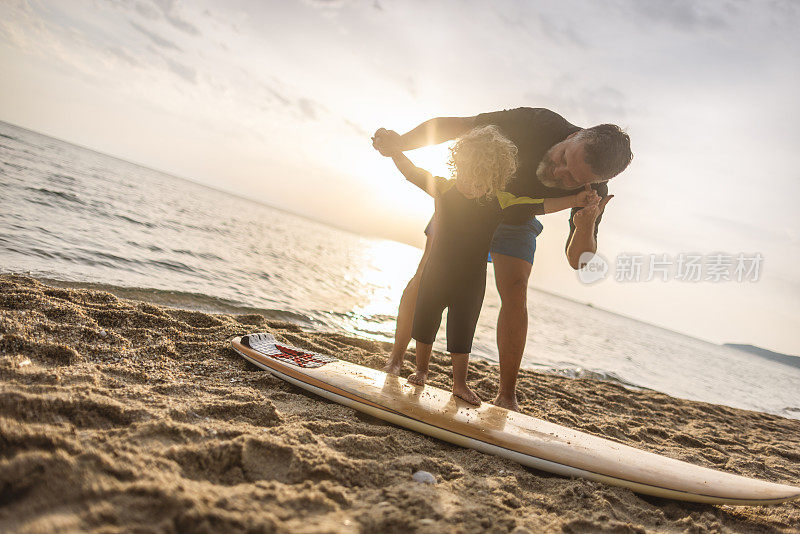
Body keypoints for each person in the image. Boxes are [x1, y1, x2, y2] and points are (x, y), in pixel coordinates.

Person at [374, 108, 632, 411]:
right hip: (469, 203)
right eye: (563, 158)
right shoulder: (539, 122)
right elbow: (458, 124)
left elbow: (579, 261)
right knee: (427, 273)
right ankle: (396, 360)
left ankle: (507, 395)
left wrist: (585, 226)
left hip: (520, 215)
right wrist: (399, 144)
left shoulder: (594, 192)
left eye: (572, 178)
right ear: (573, 135)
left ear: (595, 182)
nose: (559, 172)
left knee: (516, 288)